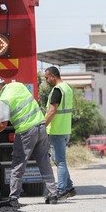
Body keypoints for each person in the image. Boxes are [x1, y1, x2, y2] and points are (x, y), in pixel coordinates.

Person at [0, 76, 58, 206]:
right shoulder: (18, 85)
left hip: (26, 131)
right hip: (41, 126)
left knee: (18, 164)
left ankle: (13, 198)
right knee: (44, 161)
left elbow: (2, 124)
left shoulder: (4, 99)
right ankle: (53, 194)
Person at [44, 66, 75, 198]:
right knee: (58, 159)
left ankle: (61, 191)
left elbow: (52, 111)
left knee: (60, 161)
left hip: (57, 129)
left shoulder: (57, 90)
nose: (46, 80)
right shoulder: (67, 88)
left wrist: (42, 125)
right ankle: (69, 187)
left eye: (46, 78)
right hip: (65, 128)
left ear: (52, 76)